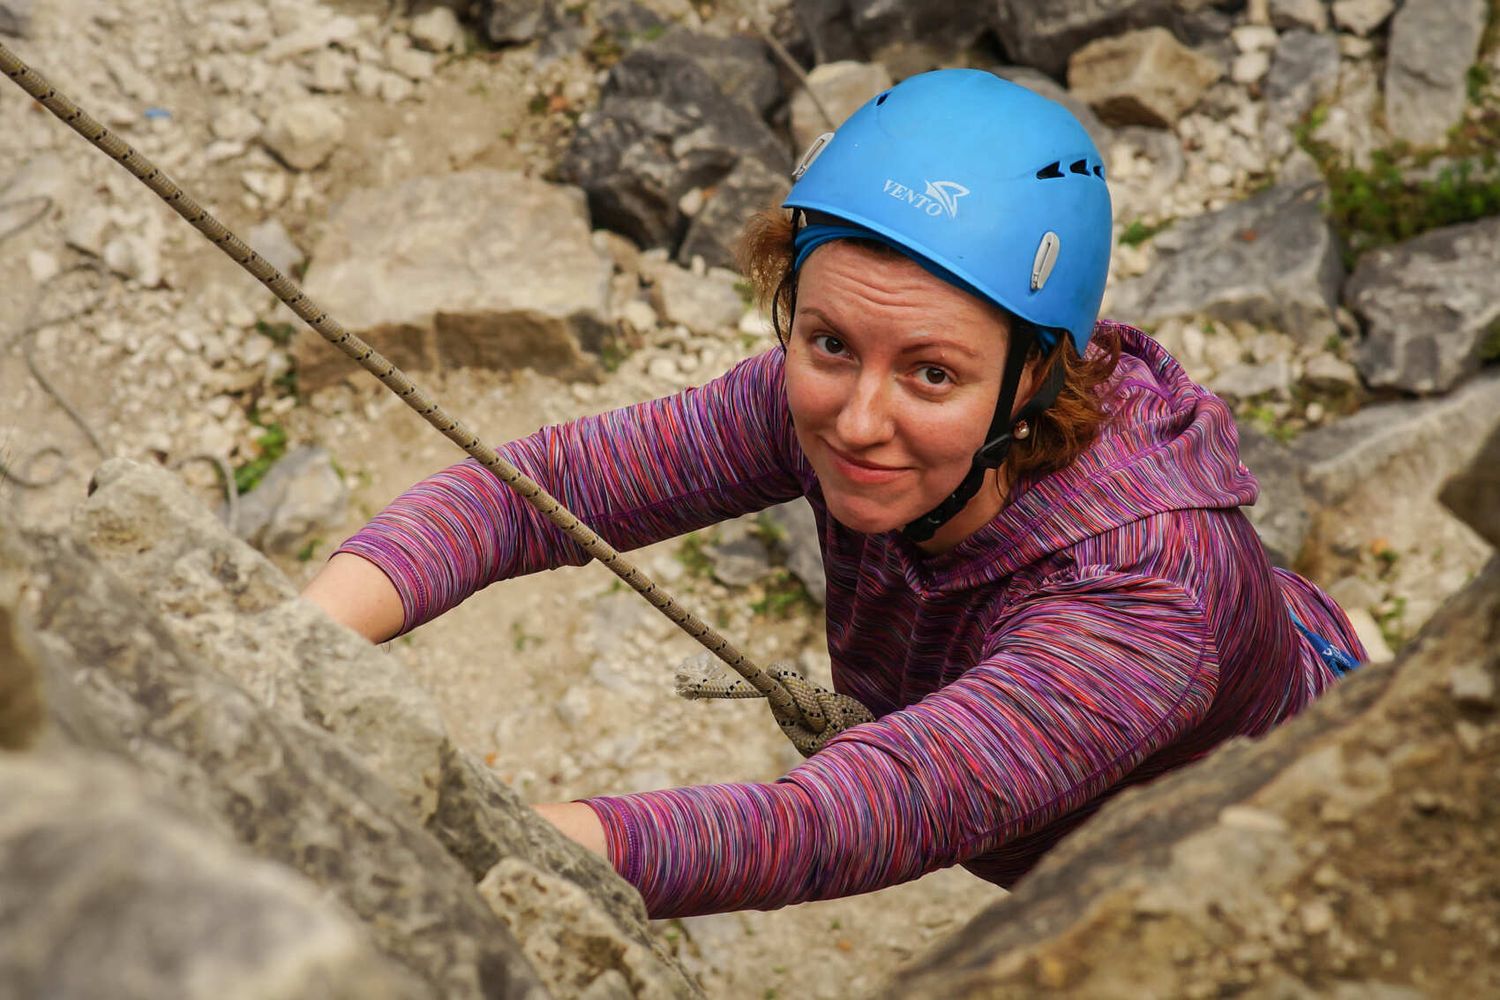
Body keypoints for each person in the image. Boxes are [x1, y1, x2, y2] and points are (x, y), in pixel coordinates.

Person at [301, 69, 1363, 918]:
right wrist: (294, 638)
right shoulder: (833, 396)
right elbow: (545, 489)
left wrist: (480, 850)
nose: (857, 420)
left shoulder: (1141, 604)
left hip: (1271, 846)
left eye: (932, 374)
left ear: (1037, 373)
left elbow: (851, 816)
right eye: (829, 342)